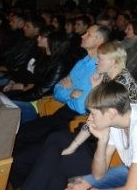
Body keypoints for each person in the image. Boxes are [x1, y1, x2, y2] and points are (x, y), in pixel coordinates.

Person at [9, 25, 109, 188]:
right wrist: (71, 92)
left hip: (73, 121)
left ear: (99, 40)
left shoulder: (100, 67)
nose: (82, 36)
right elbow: (57, 90)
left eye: (88, 34)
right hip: (61, 113)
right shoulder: (82, 62)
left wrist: (70, 91)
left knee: (21, 154)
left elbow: (82, 105)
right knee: (18, 137)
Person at [61, 41, 137, 156]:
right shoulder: (109, 77)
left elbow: (95, 115)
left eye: (100, 59)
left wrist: (73, 146)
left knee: (65, 144)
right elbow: (94, 111)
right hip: (110, 127)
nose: (96, 63)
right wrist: (95, 87)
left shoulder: (121, 82)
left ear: (113, 61)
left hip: (124, 136)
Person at [4, 30, 72, 123]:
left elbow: (43, 90)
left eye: (45, 38)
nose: (39, 38)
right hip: (32, 95)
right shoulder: (46, 57)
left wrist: (19, 95)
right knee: (2, 97)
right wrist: (18, 86)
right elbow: (33, 79)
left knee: (5, 103)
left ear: (53, 43)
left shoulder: (59, 64)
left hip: (39, 103)